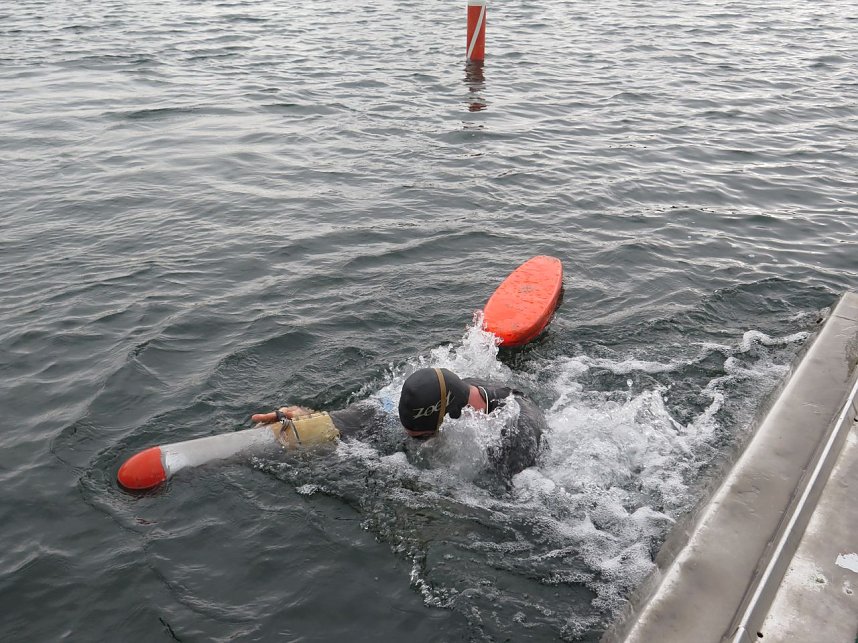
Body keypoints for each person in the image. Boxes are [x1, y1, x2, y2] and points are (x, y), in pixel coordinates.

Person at [252, 367, 547, 480]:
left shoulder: (515, 440)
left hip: (522, 412)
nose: (416, 443)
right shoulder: (394, 405)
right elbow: (346, 422)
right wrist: (300, 419)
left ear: (447, 417)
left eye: (422, 437)